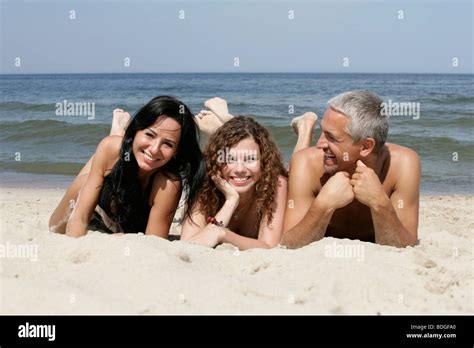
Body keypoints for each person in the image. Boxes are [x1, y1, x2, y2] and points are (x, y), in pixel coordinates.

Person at [49, 96, 205, 238]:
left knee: (111, 154)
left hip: (122, 214)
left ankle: (117, 134)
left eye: (168, 144)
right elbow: (80, 216)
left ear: (177, 151)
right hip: (100, 203)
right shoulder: (110, 148)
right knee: (56, 226)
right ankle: (116, 134)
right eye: (149, 135)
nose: (155, 149)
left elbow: (154, 242)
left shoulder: (168, 184)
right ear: (136, 130)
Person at [281, 90, 420, 248]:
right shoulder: (305, 162)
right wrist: (323, 206)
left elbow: (406, 245)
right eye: (322, 132)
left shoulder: (404, 164)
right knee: (292, 169)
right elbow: (289, 244)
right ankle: (305, 129)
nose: (319, 144)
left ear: (366, 147)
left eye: (331, 137)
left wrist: (380, 203)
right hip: (304, 162)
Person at [181, 98, 289, 250]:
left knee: (296, 170)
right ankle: (223, 128)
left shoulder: (275, 182)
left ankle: (304, 129)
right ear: (217, 161)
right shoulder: (205, 178)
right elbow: (188, 243)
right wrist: (231, 200)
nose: (239, 169)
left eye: (250, 159)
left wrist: (223, 234)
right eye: (230, 159)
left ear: (263, 161)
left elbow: (268, 246)